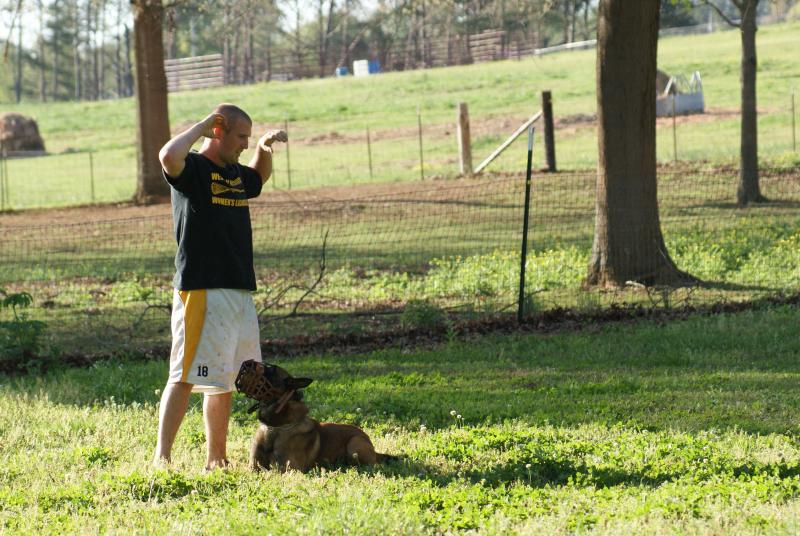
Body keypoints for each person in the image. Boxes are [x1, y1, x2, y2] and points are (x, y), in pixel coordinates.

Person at [153, 103, 287, 470]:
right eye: (241, 136)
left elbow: (257, 180)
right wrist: (199, 126)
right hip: (203, 288)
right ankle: (161, 458)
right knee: (183, 375)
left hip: (239, 290)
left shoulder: (232, 173)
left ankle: (218, 459)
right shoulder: (194, 168)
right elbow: (167, 155)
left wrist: (263, 148)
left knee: (226, 379)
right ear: (219, 131)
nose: (244, 144)